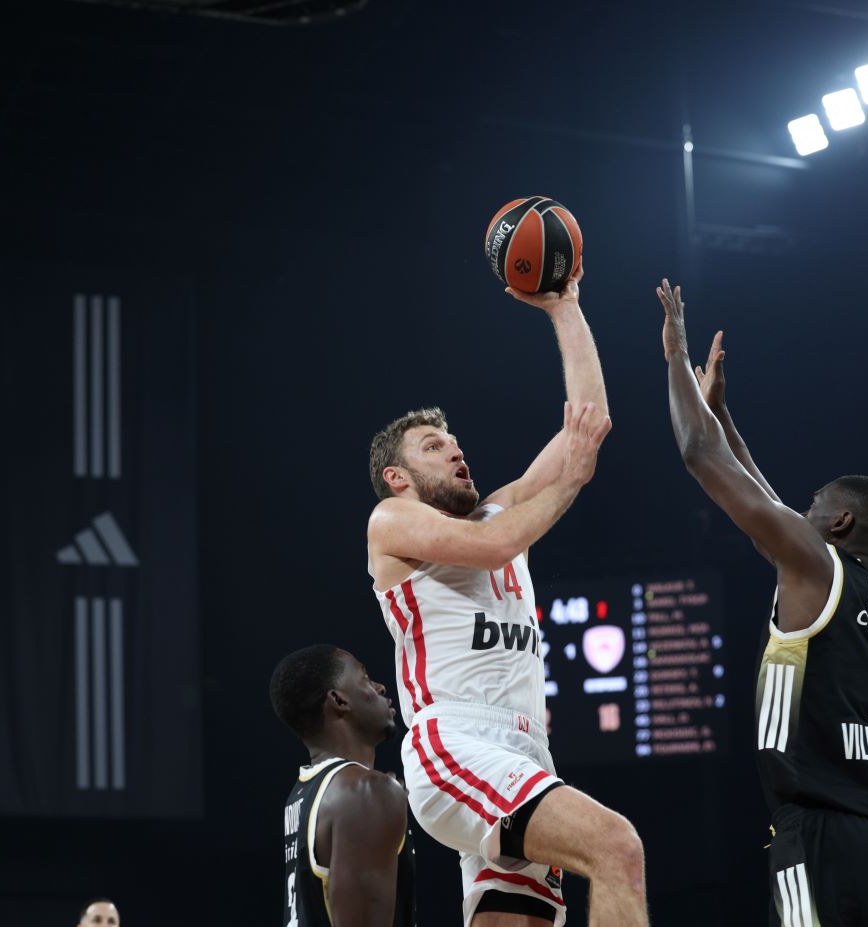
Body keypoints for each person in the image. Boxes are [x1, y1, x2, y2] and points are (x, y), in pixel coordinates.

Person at [366, 268, 648, 927]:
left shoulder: (501, 509)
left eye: (456, 442)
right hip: (455, 741)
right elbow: (498, 545)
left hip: (525, 751)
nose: (455, 451)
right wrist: (569, 483)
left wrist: (565, 309)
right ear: (396, 476)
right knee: (616, 846)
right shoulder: (392, 521)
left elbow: (588, 423)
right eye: (434, 447)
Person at [658, 277, 868, 926]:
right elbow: (765, 503)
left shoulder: (816, 563)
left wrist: (674, 354)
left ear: (839, 522)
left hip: (829, 838)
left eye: (813, 504)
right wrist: (724, 415)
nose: (798, 510)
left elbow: (698, 453)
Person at [271, 645, 415, 927]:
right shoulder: (364, 792)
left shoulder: (303, 793)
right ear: (339, 700)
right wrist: (381, 797)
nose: (381, 687)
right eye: (365, 678)